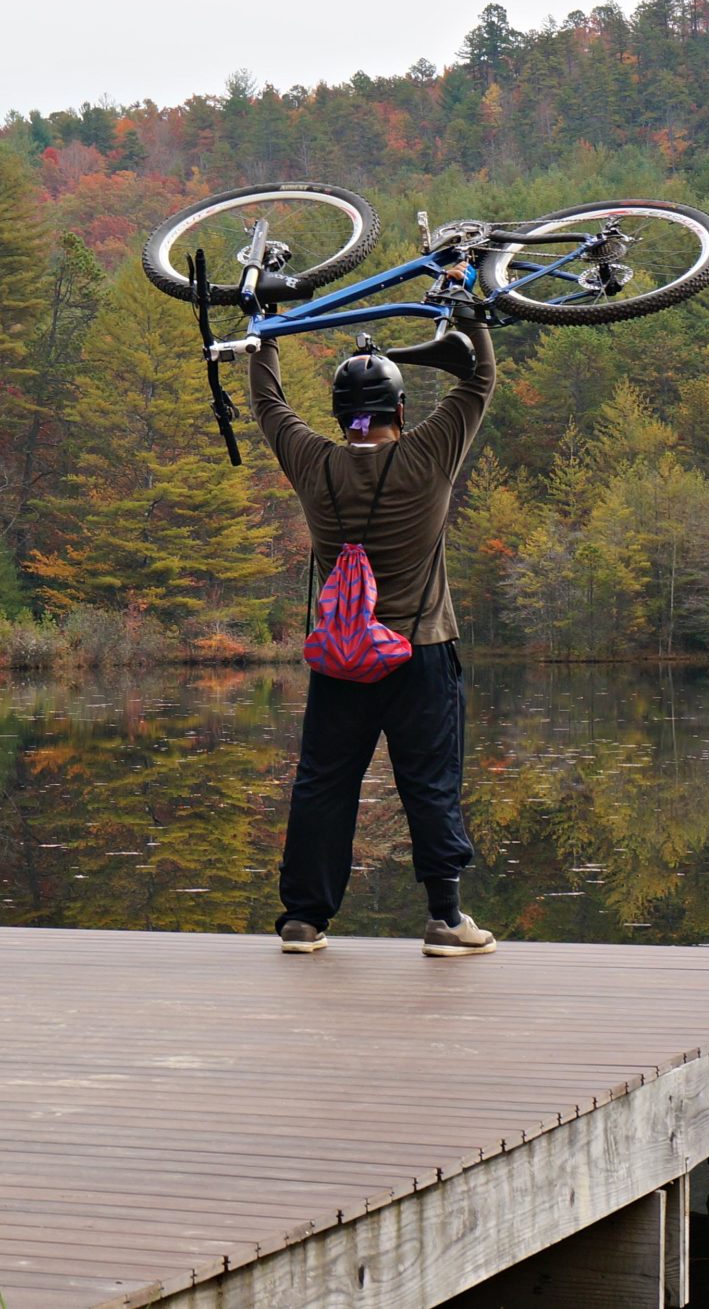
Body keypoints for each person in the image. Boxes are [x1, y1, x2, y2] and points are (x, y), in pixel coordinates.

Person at [248, 314, 498, 956]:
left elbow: (269, 403)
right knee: (431, 781)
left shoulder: (313, 462)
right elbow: (480, 379)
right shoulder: (428, 455)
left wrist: (265, 333)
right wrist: (470, 314)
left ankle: (304, 920)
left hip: (341, 659)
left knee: (323, 782)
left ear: (337, 413)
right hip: (421, 652)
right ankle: (445, 921)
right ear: (401, 408)